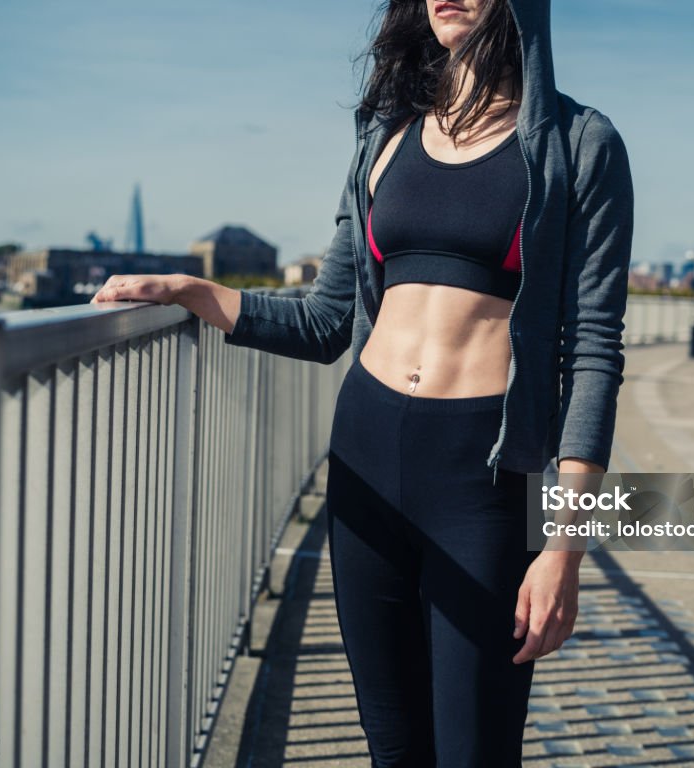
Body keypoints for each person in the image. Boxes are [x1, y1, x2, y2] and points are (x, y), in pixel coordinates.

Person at [91, 0, 633, 764]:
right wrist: (190, 291)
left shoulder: (581, 144)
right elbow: (324, 321)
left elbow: (595, 352)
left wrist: (565, 550)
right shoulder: (386, 136)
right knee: (392, 746)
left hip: (481, 480)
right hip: (366, 461)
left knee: (475, 747)